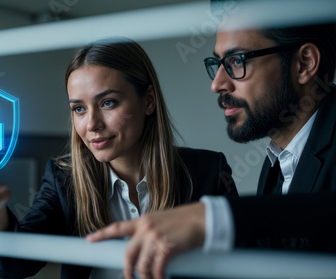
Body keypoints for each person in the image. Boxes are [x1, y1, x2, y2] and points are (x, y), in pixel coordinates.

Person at [0, 38, 238, 279]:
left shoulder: (208, 172)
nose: (92, 124)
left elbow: (239, 265)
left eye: (107, 102)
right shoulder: (64, 180)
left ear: (148, 100)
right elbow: (13, 266)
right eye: (79, 109)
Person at [88, 1, 336, 279]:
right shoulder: (279, 161)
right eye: (218, 64)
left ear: (304, 64)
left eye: (236, 61)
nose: (217, 84)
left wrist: (213, 218)